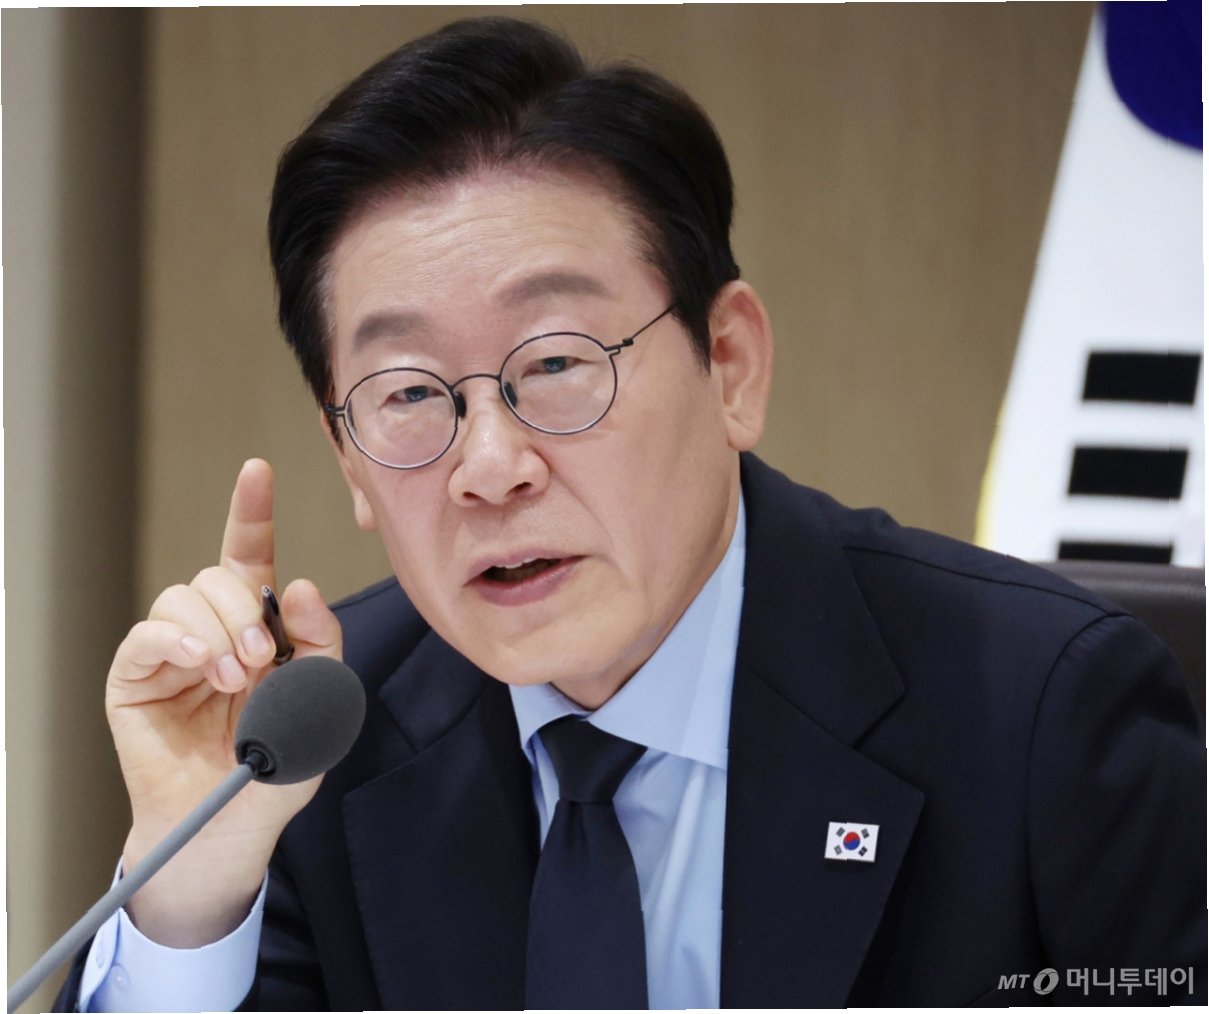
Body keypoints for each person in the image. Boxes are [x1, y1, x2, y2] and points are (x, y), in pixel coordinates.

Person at [58, 15, 1203, 1011]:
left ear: (731, 364)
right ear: (347, 459)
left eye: (557, 363)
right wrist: (190, 889)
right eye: (407, 394)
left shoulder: (1043, 716)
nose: (490, 466)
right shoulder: (307, 752)